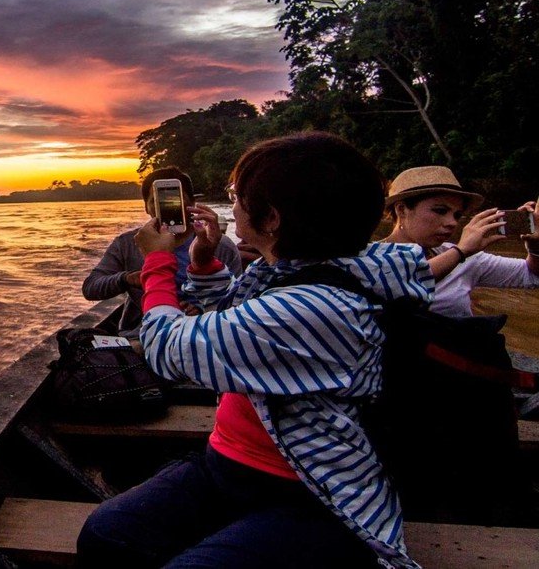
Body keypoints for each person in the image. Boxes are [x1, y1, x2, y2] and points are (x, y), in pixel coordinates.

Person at [77, 132, 434, 569]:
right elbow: (236, 315)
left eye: (236, 196)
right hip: (227, 464)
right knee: (105, 535)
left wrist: (156, 264)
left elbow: (167, 350)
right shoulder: (300, 269)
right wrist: (205, 263)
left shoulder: (313, 305)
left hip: (310, 486)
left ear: (271, 219)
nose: (233, 205)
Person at [82, 167, 242, 335]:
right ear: (146, 207)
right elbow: (91, 288)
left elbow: (236, 303)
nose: (164, 207)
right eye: (155, 201)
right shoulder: (129, 243)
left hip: (203, 332)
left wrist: (201, 309)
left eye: (175, 199)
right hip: (140, 333)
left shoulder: (220, 246)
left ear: (192, 203)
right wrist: (126, 278)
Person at [382, 166, 539, 317]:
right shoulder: (368, 258)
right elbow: (398, 281)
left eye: (457, 215)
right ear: (401, 209)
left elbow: (530, 276)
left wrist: (535, 248)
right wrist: (460, 252)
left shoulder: (464, 257)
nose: (452, 223)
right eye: (440, 211)